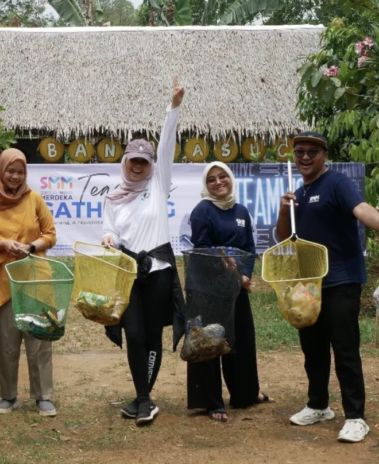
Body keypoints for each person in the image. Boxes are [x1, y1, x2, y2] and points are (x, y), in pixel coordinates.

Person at [278, 131, 379, 443]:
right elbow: (284, 238)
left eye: (312, 152)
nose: (305, 157)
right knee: (313, 349)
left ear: (324, 155)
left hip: (341, 280)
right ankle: (319, 405)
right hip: (309, 287)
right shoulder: (298, 192)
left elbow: (362, 210)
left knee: (345, 349)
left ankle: (356, 417)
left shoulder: (336, 183)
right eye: (299, 152)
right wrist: (285, 208)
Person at [101, 81, 185, 426]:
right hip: (128, 272)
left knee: (152, 334)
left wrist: (173, 108)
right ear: (125, 162)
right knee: (132, 332)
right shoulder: (113, 196)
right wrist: (108, 238)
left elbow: (166, 146)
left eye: (144, 161)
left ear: (151, 164)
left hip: (160, 271)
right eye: (133, 160)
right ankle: (143, 396)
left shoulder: (158, 184)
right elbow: (109, 229)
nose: (138, 166)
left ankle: (144, 398)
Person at [186, 161, 273, 423]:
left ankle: (245, 394)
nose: (218, 182)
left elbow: (249, 246)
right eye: (211, 179)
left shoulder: (241, 211)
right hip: (209, 289)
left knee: (241, 341)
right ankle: (212, 402)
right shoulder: (202, 210)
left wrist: (245, 274)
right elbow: (201, 248)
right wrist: (222, 263)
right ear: (205, 185)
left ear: (231, 179)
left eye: (222, 176)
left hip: (236, 287)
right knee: (211, 343)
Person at [0, 149, 57, 416]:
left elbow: (51, 235)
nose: (15, 176)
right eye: (10, 170)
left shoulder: (34, 198)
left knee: (39, 338)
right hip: (3, 279)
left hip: (36, 277)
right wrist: (4, 245)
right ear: (0, 171)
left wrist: (31, 247)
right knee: (8, 342)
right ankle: (8, 396)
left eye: (20, 171)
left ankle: (43, 395)